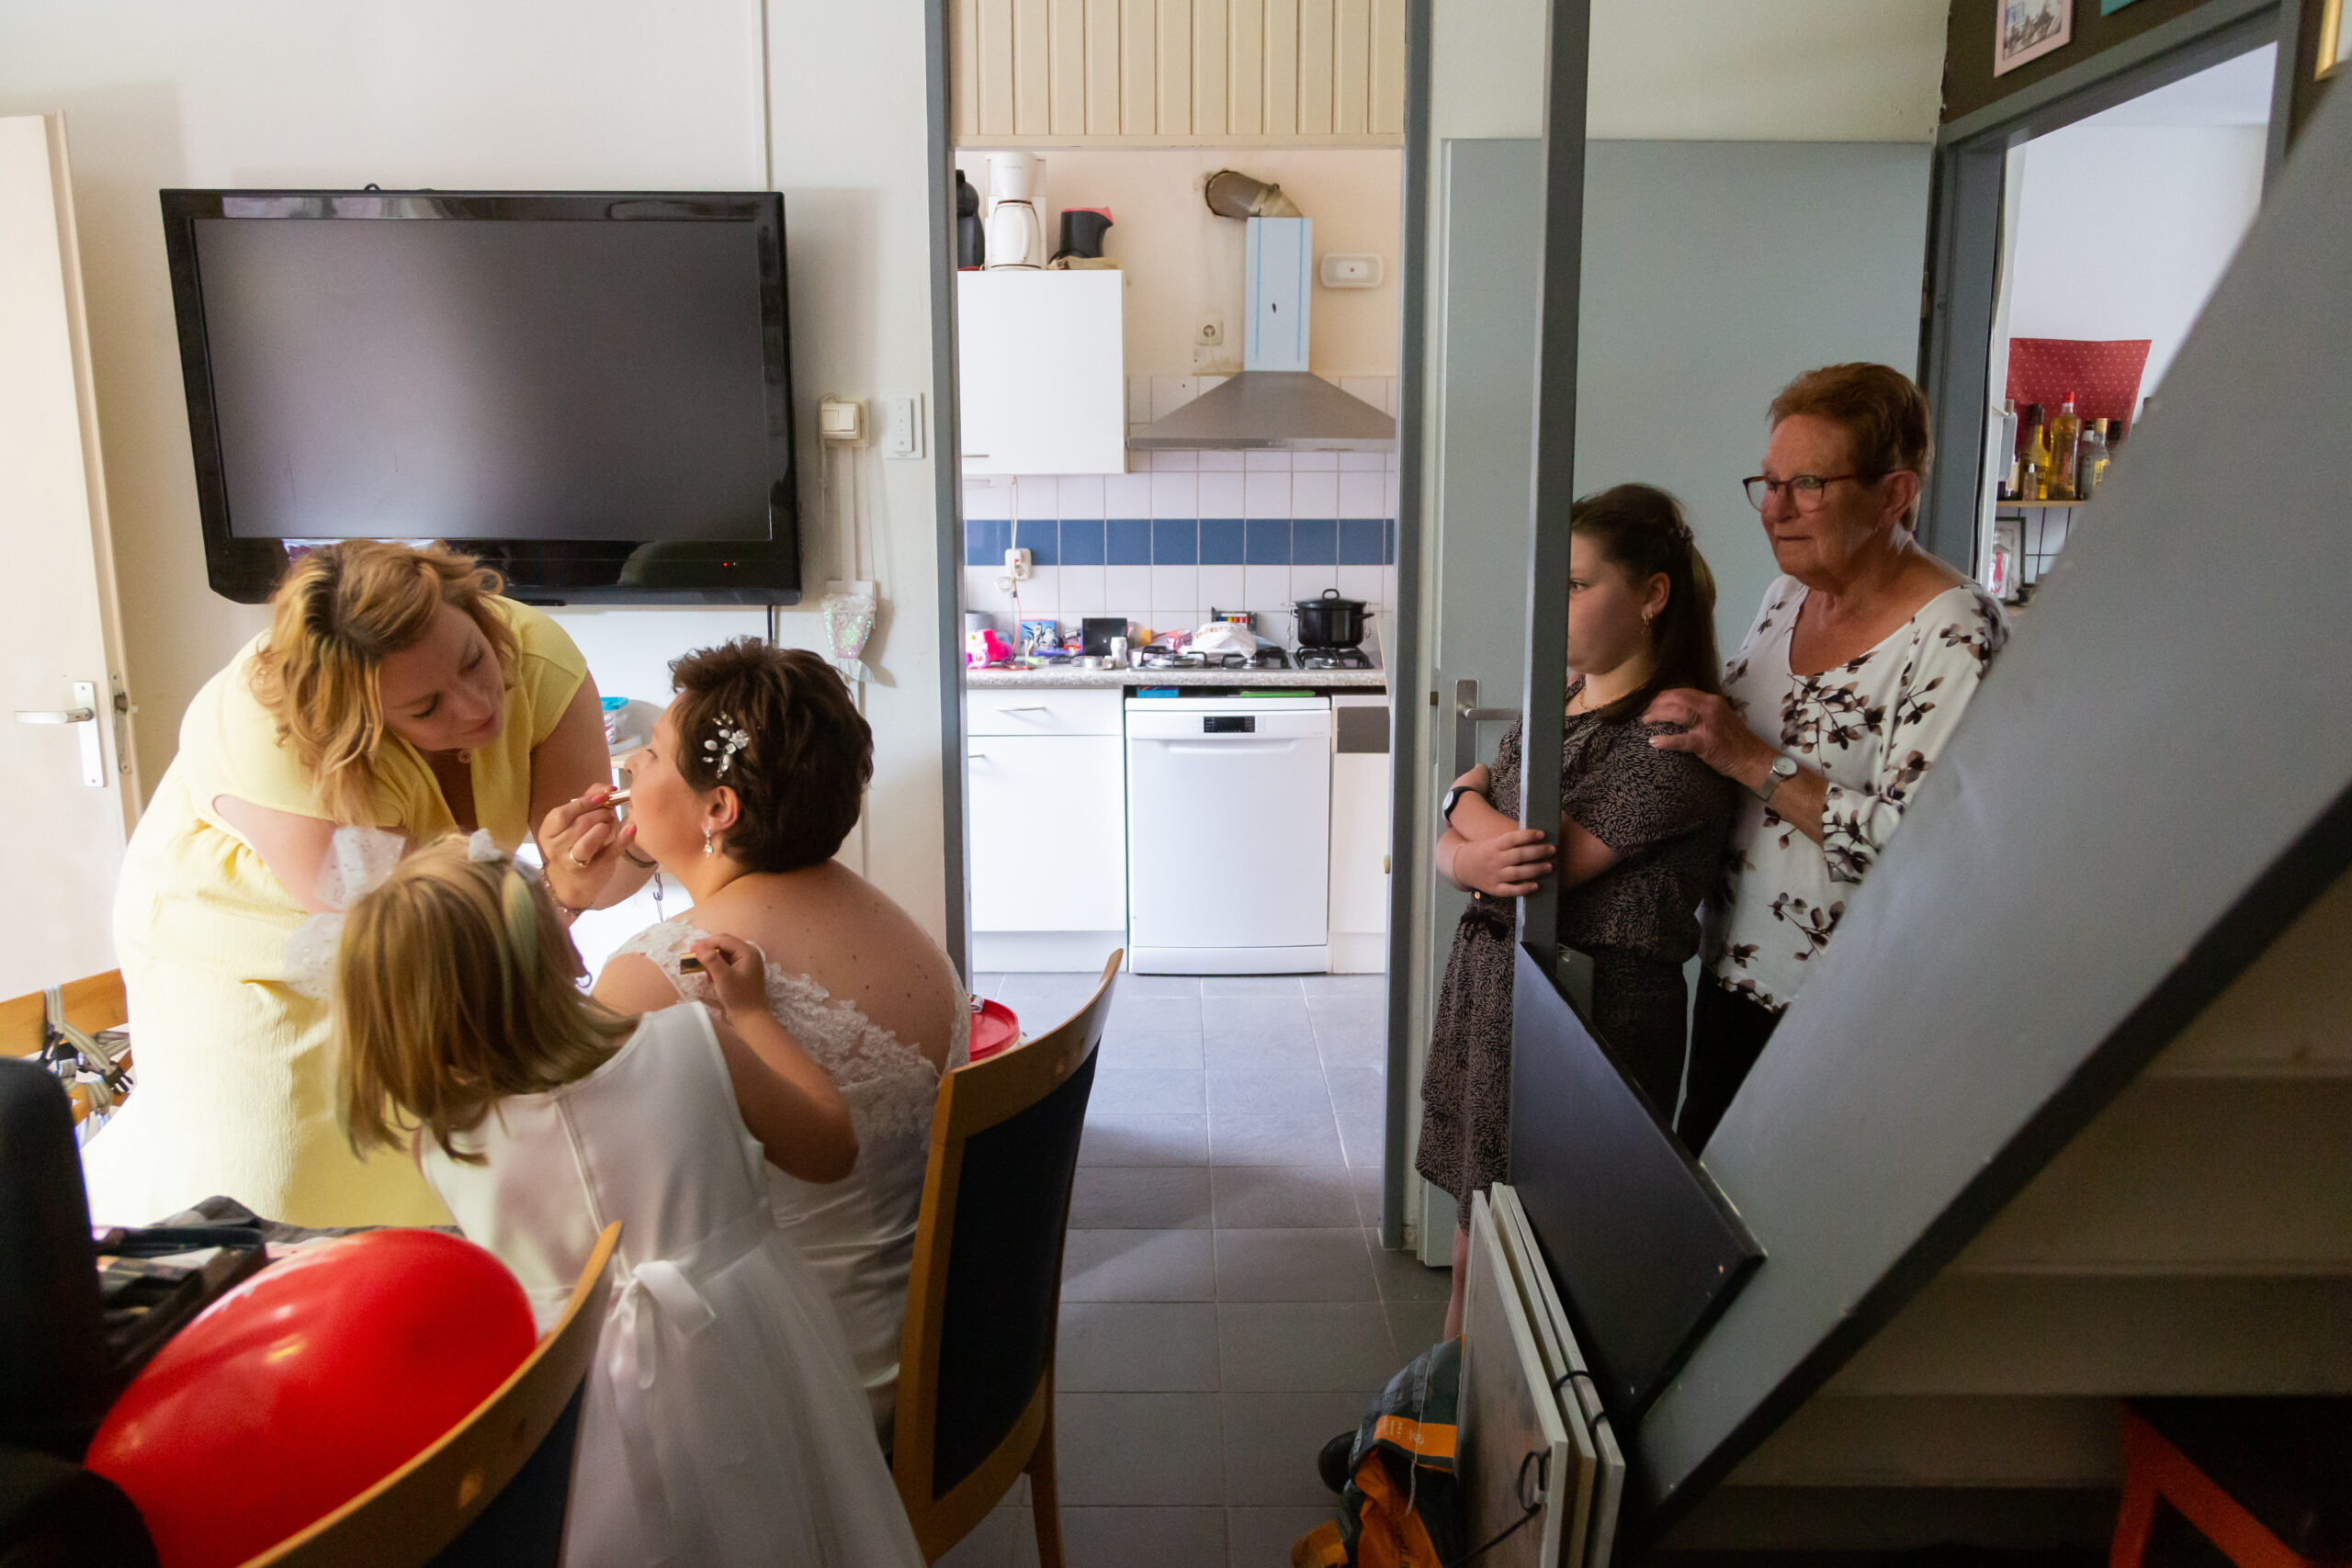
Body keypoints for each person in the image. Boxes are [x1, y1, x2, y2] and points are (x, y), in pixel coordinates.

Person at [334, 834, 925, 1568]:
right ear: (561, 955)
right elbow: (831, 1148)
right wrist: (752, 1016)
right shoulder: (690, 1041)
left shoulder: (445, 1146)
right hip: (742, 1364)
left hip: (571, 1415)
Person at [87, 541, 647, 1227]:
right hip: (258, 952)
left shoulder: (538, 658)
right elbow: (426, 931)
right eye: (427, 707)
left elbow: (585, 879)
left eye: (474, 659)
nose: (476, 705)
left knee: (466, 1187)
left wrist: (582, 873)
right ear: (360, 722)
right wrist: (553, 902)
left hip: (443, 939)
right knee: (280, 1197)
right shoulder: (268, 734)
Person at [588, 638, 968, 1443]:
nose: (628, 768)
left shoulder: (657, 975)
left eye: (648, 754)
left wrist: (560, 903)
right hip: (937, 1357)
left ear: (718, 809)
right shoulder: (907, 933)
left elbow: (595, 1214)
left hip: (806, 1390)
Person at [1647, 363, 2008, 1150]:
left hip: (1851, 1013)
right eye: (1769, 483)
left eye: (1807, 484)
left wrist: (1752, 760)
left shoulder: (1953, 632)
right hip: (1733, 974)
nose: (1774, 509)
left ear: (1894, 494)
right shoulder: (1789, 596)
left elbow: (1928, 849)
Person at [1419, 485, 1737, 1338]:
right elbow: (1469, 852)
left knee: (1547, 1272)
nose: (1550, 604)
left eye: (1575, 584)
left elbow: (1534, 862)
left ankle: (1488, 1415)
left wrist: (1458, 808)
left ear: (1652, 594)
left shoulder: (1671, 736)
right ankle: (1444, 1404)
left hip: (1589, 1019)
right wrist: (1461, 843)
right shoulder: (1562, 699)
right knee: (1472, 1247)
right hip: (1500, 997)